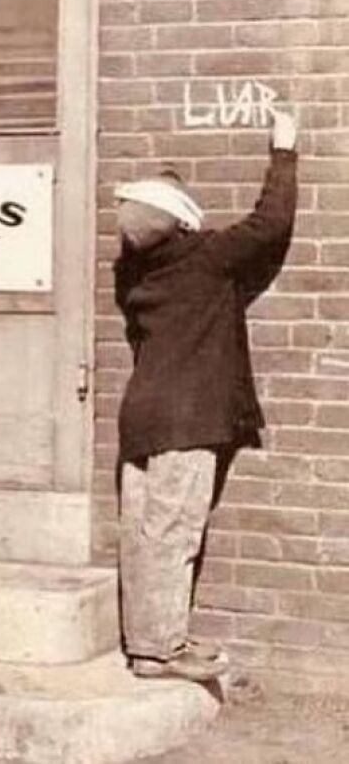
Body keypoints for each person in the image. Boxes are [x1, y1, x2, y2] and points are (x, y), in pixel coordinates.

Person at [113, 111, 298, 681]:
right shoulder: (208, 260)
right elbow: (271, 224)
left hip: (141, 414)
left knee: (141, 533)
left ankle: (145, 642)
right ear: (183, 222)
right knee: (175, 531)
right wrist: (284, 153)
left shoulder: (132, 275)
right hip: (188, 419)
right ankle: (162, 650)